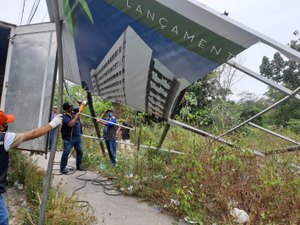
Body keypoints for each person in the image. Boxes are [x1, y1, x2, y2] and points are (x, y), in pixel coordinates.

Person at [0, 110, 62, 225]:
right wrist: (52, 124)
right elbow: (33, 134)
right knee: (3, 220)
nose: (6, 126)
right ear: (1, 127)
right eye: (5, 124)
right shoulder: (4, 139)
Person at [60, 102, 83, 174]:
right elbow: (70, 124)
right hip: (69, 138)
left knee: (80, 151)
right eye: (71, 107)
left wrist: (81, 104)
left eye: (72, 106)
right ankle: (63, 168)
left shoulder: (73, 112)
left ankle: (79, 166)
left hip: (77, 137)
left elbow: (80, 109)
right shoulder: (64, 116)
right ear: (66, 109)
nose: (72, 107)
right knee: (66, 152)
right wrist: (76, 117)